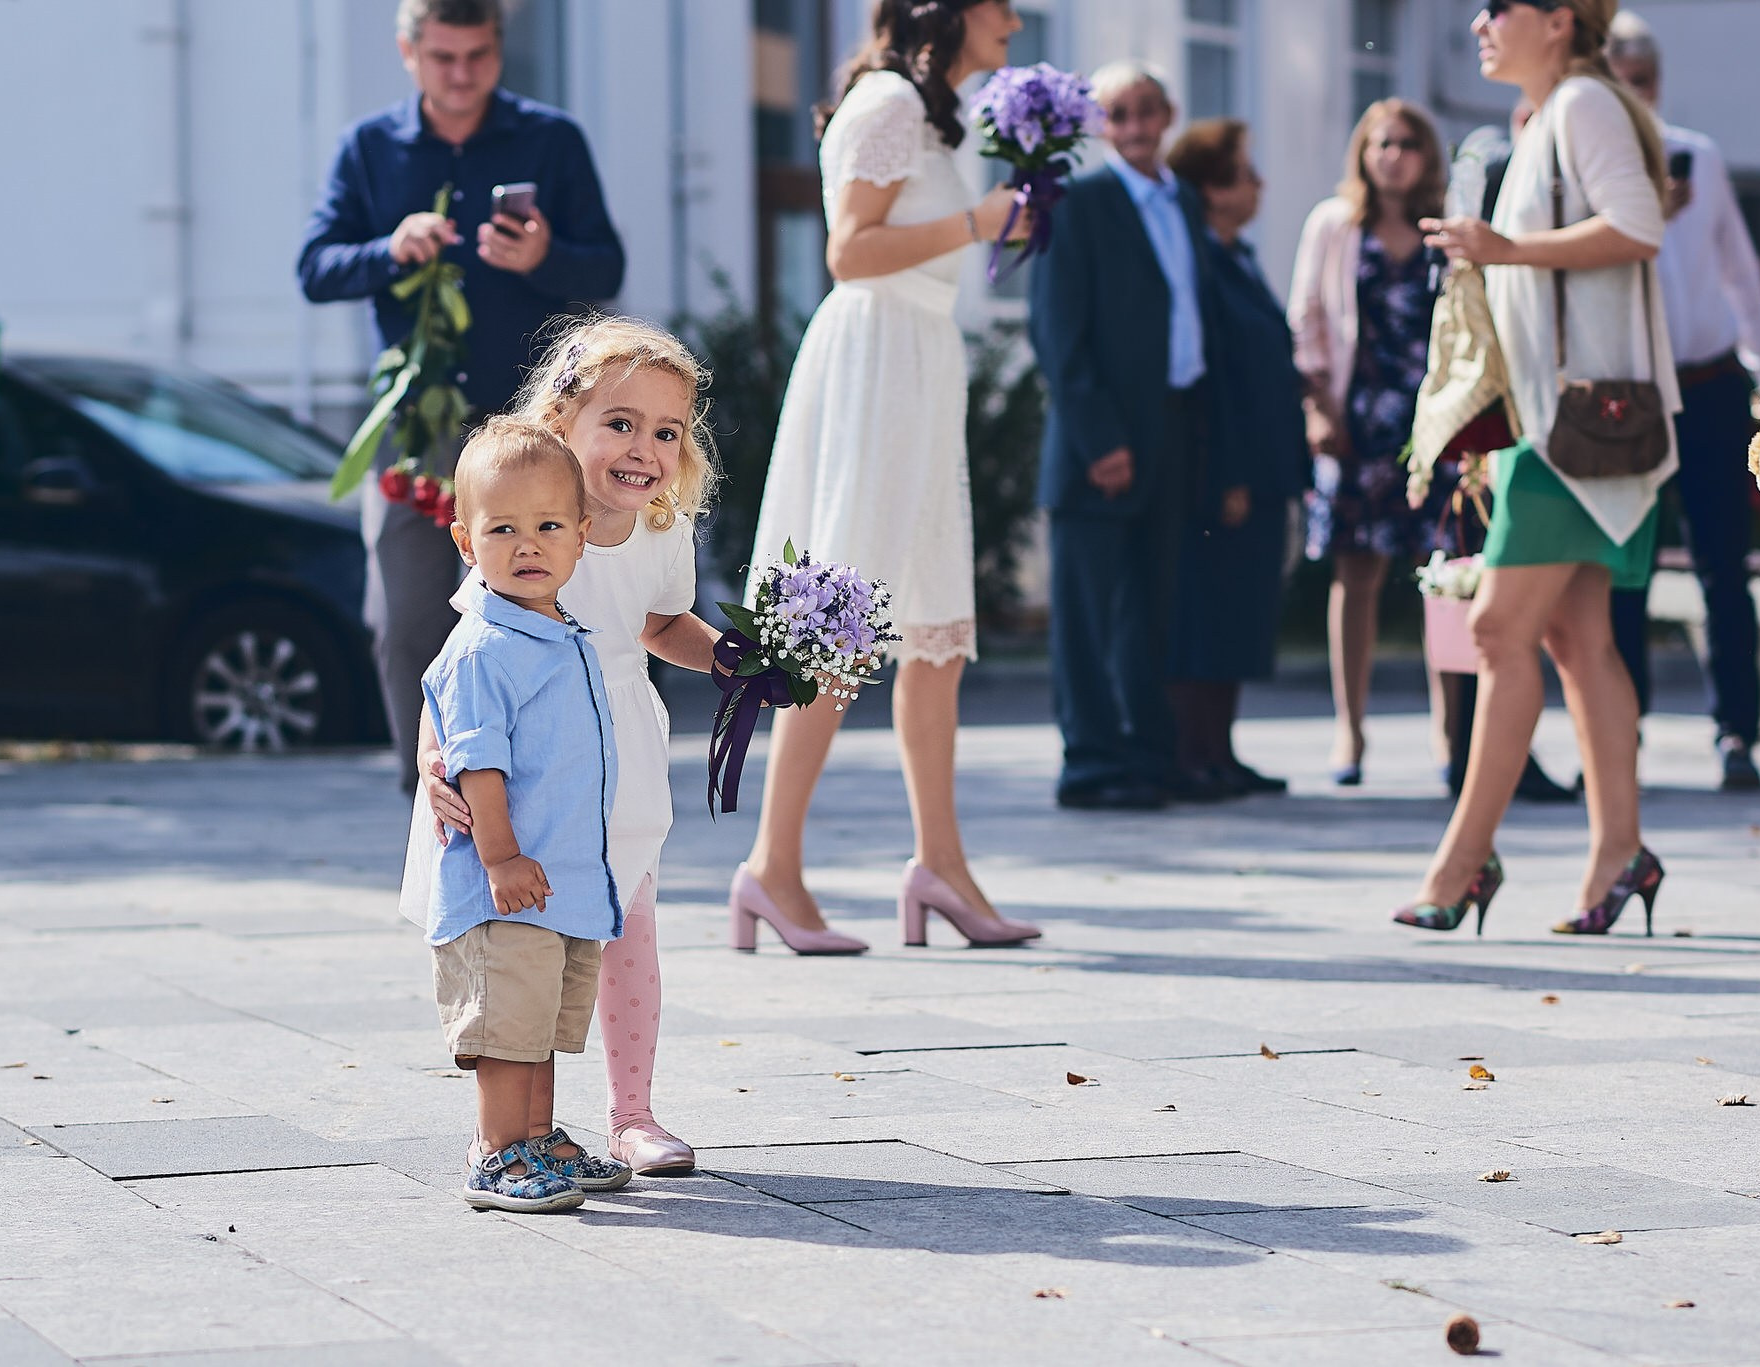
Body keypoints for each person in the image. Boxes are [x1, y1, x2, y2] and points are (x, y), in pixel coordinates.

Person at [737, 0, 1043, 953]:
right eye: (999, 4)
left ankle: (939, 865)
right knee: (843, 615)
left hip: (920, 359)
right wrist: (975, 220)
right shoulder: (888, 102)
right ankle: (771, 867)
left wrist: (1003, 221)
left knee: (936, 629)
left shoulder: (934, 114)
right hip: (874, 362)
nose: (1016, 20)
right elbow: (849, 250)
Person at [412, 317, 723, 1177]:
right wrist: (432, 757)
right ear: (562, 421)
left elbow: (659, 623)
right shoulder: (528, 523)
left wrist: (731, 657)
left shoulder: (660, 527)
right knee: (522, 945)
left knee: (627, 928)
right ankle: (506, 1135)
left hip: (619, 745)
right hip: (526, 761)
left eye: (667, 431)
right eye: (620, 423)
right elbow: (464, 658)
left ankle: (633, 1114)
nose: (644, 448)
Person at [298, 0, 625, 791]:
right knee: (406, 618)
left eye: (477, 55)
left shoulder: (552, 139)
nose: (461, 74)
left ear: (498, 51)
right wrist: (389, 249)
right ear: (408, 52)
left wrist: (544, 256)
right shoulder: (369, 148)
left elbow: (606, 268)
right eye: (443, 57)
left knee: (547, 608)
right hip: (418, 429)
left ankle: (541, 793)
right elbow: (315, 267)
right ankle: (430, 805)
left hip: (534, 423)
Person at [1398, 0, 1673, 937]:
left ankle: (1464, 861)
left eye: (1499, 7)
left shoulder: (1582, 106)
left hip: (1575, 426)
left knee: (1496, 630)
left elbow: (1638, 226)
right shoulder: (1551, 114)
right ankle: (1619, 853)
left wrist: (1504, 249)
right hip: (1564, 425)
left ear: (1558, 21)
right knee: (1576, 640)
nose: (1478, 22)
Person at [418, 417, 630, 1212]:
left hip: (555, 881)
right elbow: (479, 762)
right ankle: (496, 1150)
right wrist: (500, 857)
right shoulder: (485, 647)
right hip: (502, 887)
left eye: (547, 526)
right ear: (467, 543)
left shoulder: (558, 634)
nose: (527, 545)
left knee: (536, 1024)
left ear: (581, 535)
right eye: (502, 528)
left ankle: (535, 1137)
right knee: (507, 1027)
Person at [1031, 61, 1231, 810]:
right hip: (1101, 444)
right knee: (1088, 616)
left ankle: (1151, 755)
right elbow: (1057, 330)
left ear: (1169, 113)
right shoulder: (1079, 203)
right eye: (1119, 113)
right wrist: (1100, 439)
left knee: (1151, 607)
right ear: (1100, 126)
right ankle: (1090, 763)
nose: (1137, 125)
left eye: (1148, 109)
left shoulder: (1183, 202)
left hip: (1171, 430)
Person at [1605, 11, 1760, 793]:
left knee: (1724, 566)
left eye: (1644, 78)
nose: (1636, 93)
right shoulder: (1592, 170)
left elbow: (1739, 272)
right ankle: (1619, 733)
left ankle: (1737, 731)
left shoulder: (1699, 156)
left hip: (1711, 385)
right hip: (1629, 392)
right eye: (1620, 80)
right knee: (1625, 570)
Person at [1288, 98, 1483, 791]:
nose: (1393, 156)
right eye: (1381, 144)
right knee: (1357, 574)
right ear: (1363, 154)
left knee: (1446, 576)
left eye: (1407, 144)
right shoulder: (1335, 224)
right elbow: (1307, 318)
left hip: (1435, 425)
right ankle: (1351, 727)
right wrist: (1317, 408)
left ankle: (1449, 731)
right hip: (1358, 420)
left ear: (1428, 155)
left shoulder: (1447, 229)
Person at [1163, 119, 1304, 795]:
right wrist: (1231, 475)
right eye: (1245, 174)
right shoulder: (1200, 264)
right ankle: (1193, 753)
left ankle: (1220, 749)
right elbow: (1217, 378)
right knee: (1209, 613)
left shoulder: (1237, 256)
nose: (1259, 185)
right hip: (1228, 470)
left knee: (1242, 612)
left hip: (1266, 464)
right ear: (1214, 190)